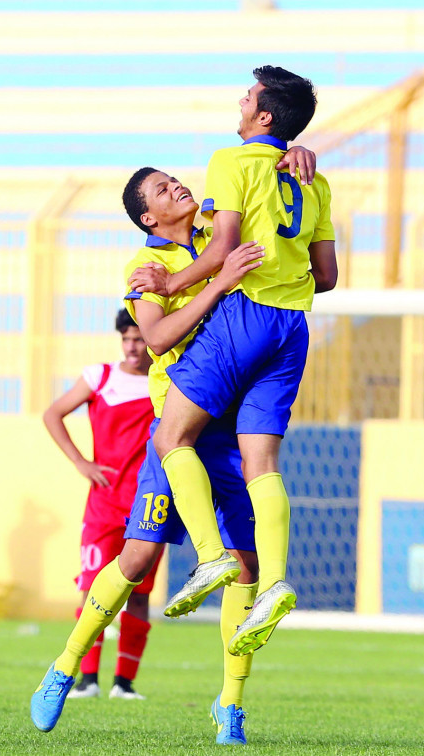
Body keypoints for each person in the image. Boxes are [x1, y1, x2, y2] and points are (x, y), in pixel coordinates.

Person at [30, 155, 316, 743]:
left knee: (248, 566)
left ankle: (231, 705)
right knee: (135, 563)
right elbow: (157, 337)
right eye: (162, 188)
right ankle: (63, 668)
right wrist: (218, 285)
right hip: (180, 426)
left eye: (174, 179)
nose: (177, 186)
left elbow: (273, 198)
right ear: (148, 216)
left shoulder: (221, 229)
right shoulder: (144, 267)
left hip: (232, 428)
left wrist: (291, 157)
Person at [131, 65, 337, 656]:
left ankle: (212, 558)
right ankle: (272, 582)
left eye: (248, 96)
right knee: (262, 461)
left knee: (172, 435)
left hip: (243, 315)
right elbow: (327, 277)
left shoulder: (230, 161)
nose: (240, 100)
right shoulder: (314, 181)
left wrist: (172, 285)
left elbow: (221, 249)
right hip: (293, 327)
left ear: (263, 116)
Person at [42, 308, 156, 701]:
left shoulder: (164, 381)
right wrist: (80, 461)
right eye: (126, 339)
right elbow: (53, 413)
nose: (132, 347)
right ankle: (86, 679)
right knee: (92, 589)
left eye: (139, 339)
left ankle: (124, 684)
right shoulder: (100, 377)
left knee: (139, 596)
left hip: (147, 506)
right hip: (104, 506)